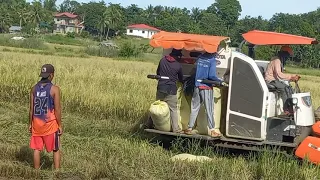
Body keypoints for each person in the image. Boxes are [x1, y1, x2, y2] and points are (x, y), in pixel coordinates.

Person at [29, 64, 62, 169]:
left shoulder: (33, 89)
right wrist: (60, 125)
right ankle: (57, 172)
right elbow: (57, 109)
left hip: (37, 124)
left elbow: (31, 109)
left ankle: (36, 171)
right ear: (51, 75)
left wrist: (30, 124)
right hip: (50, 125)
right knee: (56, 149)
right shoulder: (55, 89)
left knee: (37, 149)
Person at [185, 52, 222, 137]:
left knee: (194, 107)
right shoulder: (212, 60)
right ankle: (212, 130)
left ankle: (189, 128)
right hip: (206, 87)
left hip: (197, 86)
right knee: (209, 109)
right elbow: (211, 75)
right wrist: (219, 81)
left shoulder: (200, 58)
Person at [155, 49, 184, 133]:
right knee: (173, 109)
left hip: (161, 87)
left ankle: (148, 124)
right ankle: (176, 129)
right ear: (178, 56)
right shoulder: (178, 65)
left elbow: (158, 72)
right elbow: (181, 78)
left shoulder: (162, 60)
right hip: (171, 89)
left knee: (157, 106)